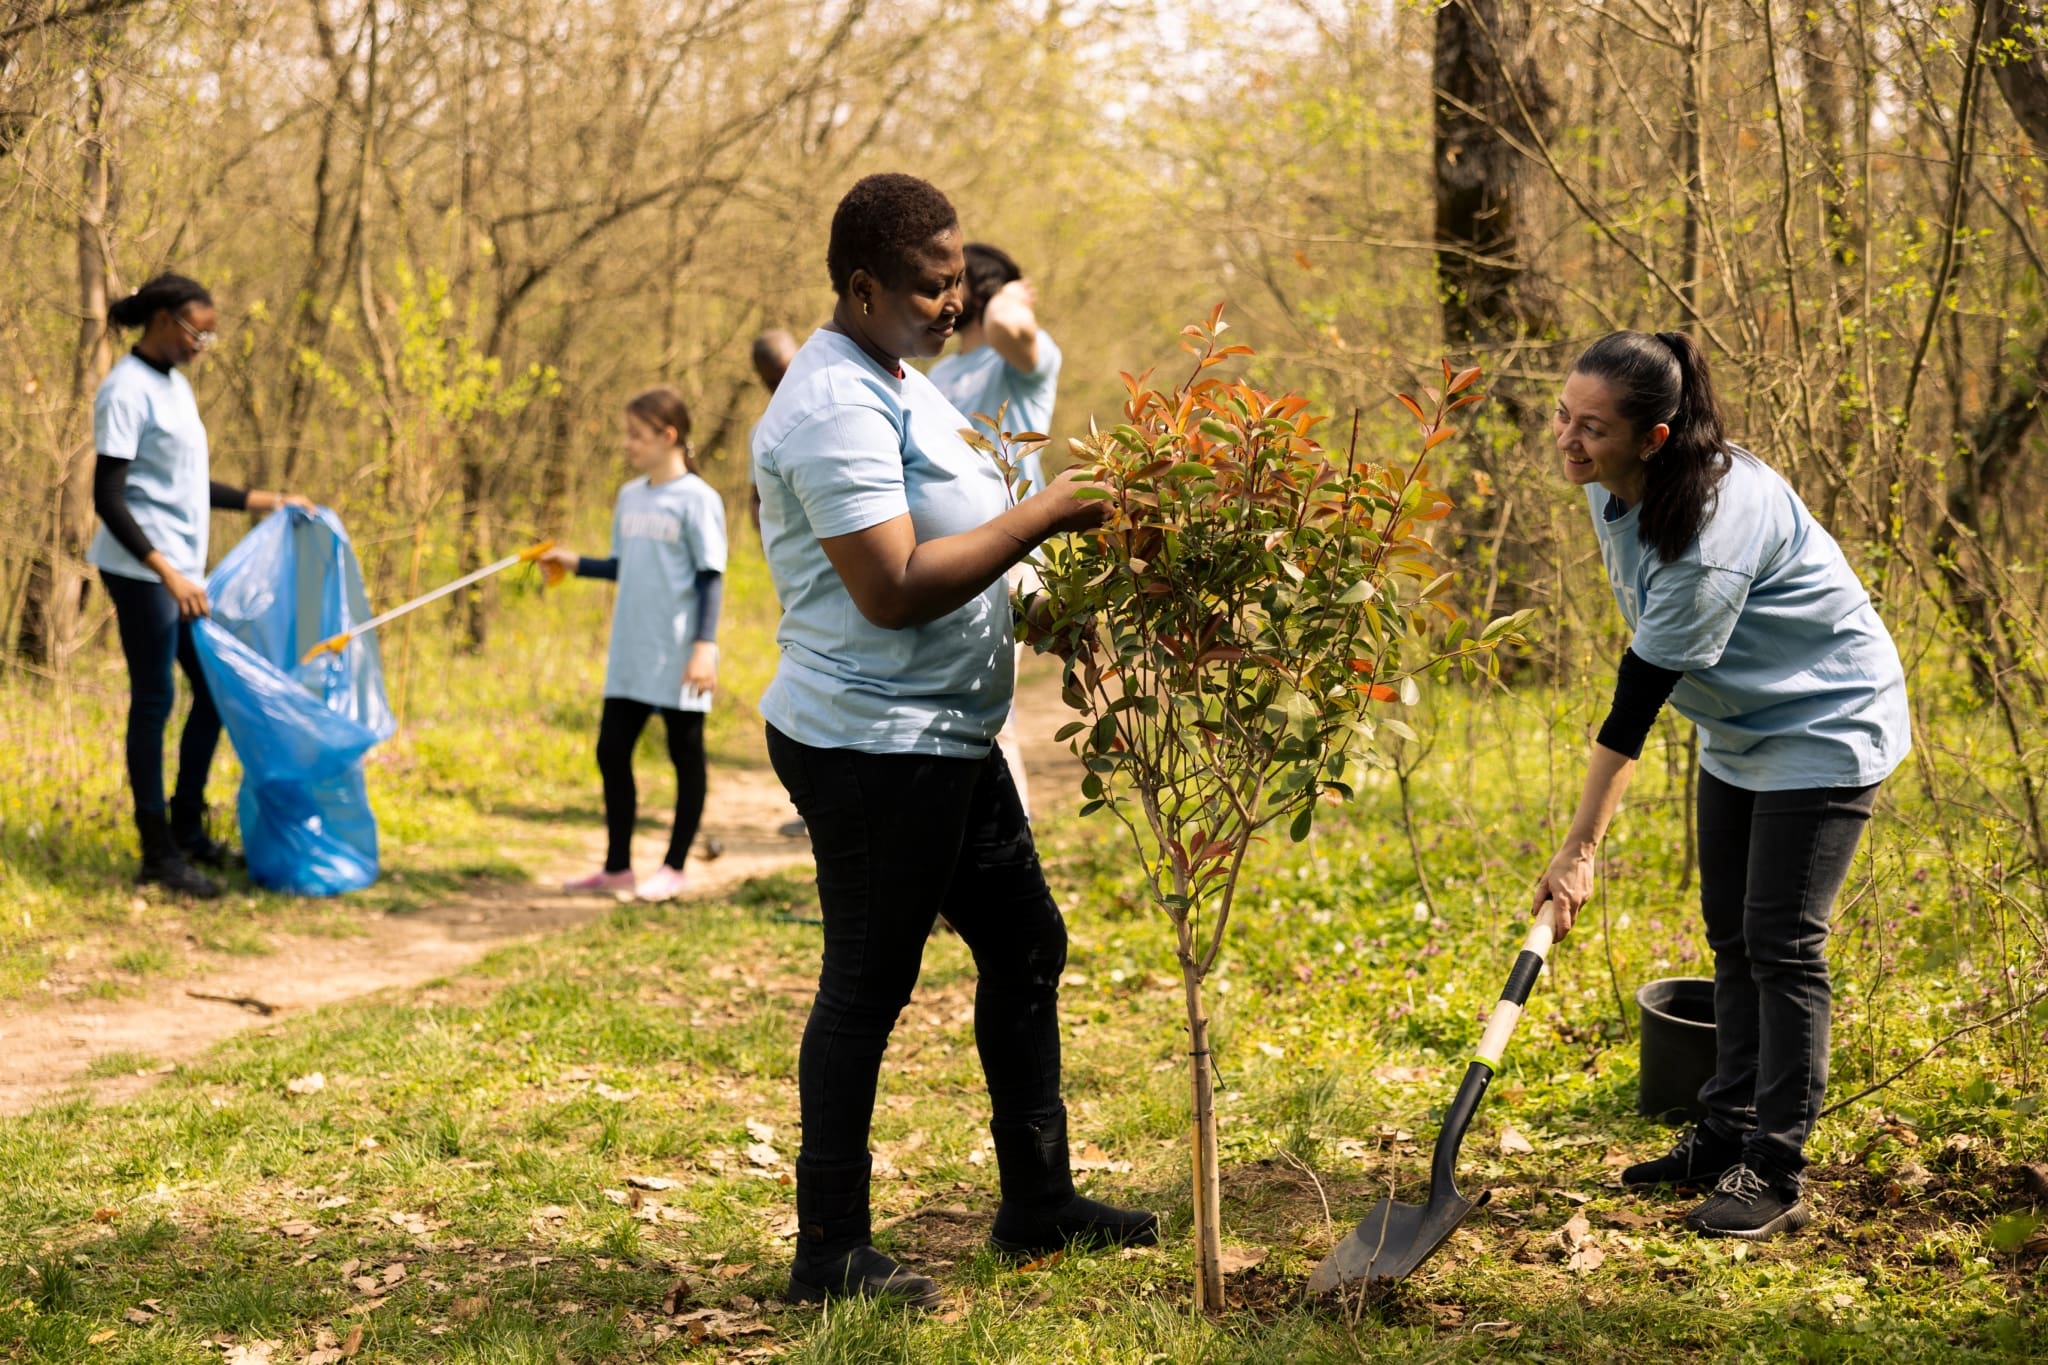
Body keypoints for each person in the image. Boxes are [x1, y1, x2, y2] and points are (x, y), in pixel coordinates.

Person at [752, 173, 1156, 1309]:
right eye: (930, 288)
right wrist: (1049, 509)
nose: (952, 304)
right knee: (866, 988)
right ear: (862, 285)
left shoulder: (901, 383)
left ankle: (1037, 1202)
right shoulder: (832, 406)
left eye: (957, 282)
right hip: (871, 744)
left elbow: (970, 546)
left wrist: (1062, 614)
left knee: (1026, 943)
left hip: (942, 736)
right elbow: (889, 588)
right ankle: (828, 1249)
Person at [1533, 330, 1909, 1241]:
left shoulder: (1712, 529)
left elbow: (1635, 703)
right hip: (1739, 728)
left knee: (1781, 942)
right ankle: (1724, 1130)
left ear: (1654, 438)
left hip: (1823, 720)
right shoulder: (1615, 487)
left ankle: (1774, 1167)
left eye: (1592, 428)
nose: (1569, 441)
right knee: (1731, 932)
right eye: (1563, 417)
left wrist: (1580, 848)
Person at [89, 273, 315, 898]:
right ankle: (156, 854)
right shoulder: (125, 390)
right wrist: (167, 572)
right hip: (143, 571)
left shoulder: (175, 387)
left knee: (213, 691)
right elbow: (107, 496)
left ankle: (188, 830)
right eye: (198, 332)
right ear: (163, 320)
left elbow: (186, 484)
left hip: (182, 573)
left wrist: (265, 500)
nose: (203, 345)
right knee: (155, 699)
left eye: (210, 336)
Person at [541, 387, 727, 903]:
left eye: (636, 436)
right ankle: (618, 867)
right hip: (632, 649)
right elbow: (623, 564)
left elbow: (710, 577)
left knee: (684, 755)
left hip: (683, 652)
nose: (627, 445)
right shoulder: (630, 496)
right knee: (611, 751)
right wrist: (572, 561)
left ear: (668, 437)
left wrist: (705, 646)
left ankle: (674, 867)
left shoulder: (700, 500)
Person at [926, 243, 1063, 817]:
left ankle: (1009, 854)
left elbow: (1010, 325)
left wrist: (1009, 292)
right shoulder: (938, 372)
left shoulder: (1024, 362)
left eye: (953, 281)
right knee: (952, 711)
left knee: (987, 714)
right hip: (946, 555)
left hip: (1007, 557)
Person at [747, 327, 810, 841]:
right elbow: (756, 500)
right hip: (802, 573)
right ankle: (813, 802)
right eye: (775, 377)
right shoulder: (767, 427)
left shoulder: (829, 402)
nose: (784, 381)